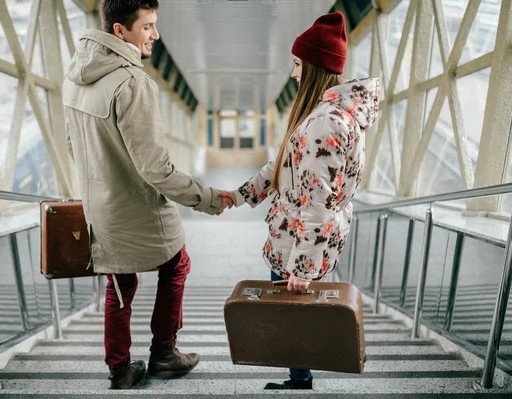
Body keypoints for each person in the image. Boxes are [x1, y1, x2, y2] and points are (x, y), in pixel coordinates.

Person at [62, 0, 234, 390]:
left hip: (100, 208)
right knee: (177, 265)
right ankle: (164, 353)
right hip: (137, 209)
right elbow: (155, 169)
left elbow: (73, 146)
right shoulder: (132, 83)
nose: (155, 35)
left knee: (120, 285)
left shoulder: (73, 77)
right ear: (120, 31)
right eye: (148, 27)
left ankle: (120, 369)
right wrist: (206, 199)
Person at [221, 11, 380, 390]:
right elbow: (283, 165)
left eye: (297, 65)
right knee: (295, 316)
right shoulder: (326, 115)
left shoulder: (325, 123)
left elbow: (317, 205)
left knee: (293, 316)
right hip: (300, 241)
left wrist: (302, 269)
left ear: (313, 67)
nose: (293, 74)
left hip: (297, 244)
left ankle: (299, 380)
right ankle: (299, 375)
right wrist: (240, 196)